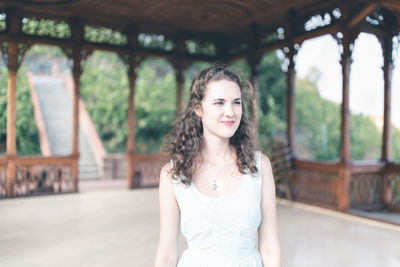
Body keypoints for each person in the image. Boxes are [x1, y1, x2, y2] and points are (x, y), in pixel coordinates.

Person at [154, 63, 281, 267]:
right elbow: (167, 253)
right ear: (198, 109)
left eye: (236, 102)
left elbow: (269, 245)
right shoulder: (172, 173)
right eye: (219, 103)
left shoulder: (260, 166)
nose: (230, 112)